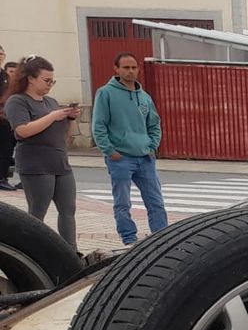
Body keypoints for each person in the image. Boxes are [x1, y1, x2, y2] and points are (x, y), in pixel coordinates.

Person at [91, 52, 168, 245]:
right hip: (120, 158)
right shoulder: (105, 93)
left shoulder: (144, 96)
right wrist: (110, 151)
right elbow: (99, 125)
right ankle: (129, 239)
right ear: (116, 69)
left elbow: (154, 124)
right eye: (126, 67)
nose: (131, 71)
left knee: (156, 202)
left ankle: (161, 239)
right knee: (123, 203)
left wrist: (152, 146)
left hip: (145, 157)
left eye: (134, 67)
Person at [3, 56, 78, 248]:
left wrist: (69, 118)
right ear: (30, 78)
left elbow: (64, 136)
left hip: (60, 163)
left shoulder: (51, 101)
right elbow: (23, 130)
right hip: (36, 165)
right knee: (37, 212)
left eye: (53, 81)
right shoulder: (17, 101)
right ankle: (31, 251)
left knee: (68, 210)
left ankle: (72, 251)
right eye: (46, 81)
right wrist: (52, 116)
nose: (50, 85)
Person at [0, 58, 17, 191]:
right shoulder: (3, 84)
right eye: (11, 71)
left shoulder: (17, 88)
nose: (13, 74)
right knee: (4, 150)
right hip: (3, 122)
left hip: (11, 122)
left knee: (9, 150)